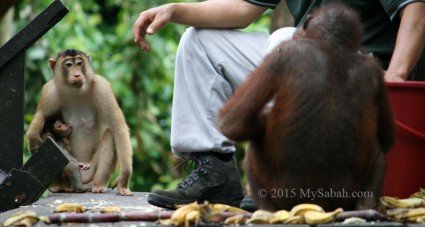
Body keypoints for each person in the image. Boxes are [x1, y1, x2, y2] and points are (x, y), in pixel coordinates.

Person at [133, 0, 425, 209]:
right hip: (303, 65)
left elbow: (417, 9)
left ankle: (285, 181)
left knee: (288, 40)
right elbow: (241, 9)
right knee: (198, 40)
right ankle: (214, 171)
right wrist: (175, 10)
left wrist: (395, 78)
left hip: (358, 73)